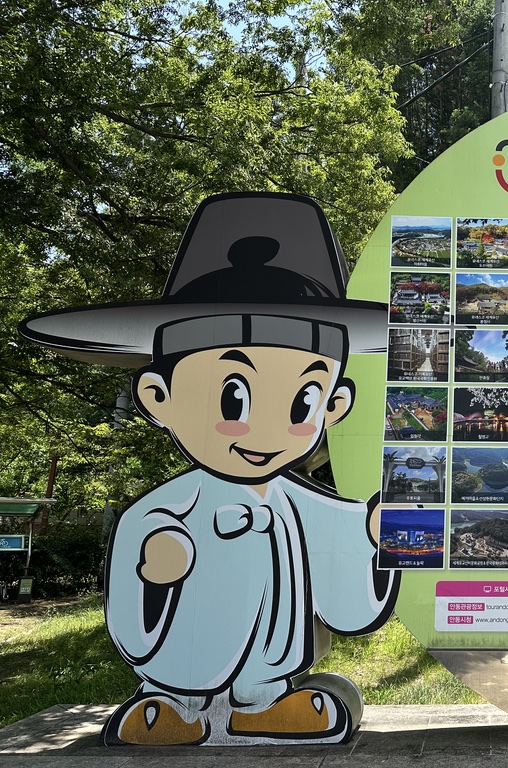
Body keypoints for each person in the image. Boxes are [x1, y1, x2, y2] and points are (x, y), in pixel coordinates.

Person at [19, 193, 398, 745]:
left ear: (333, 406)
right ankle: (173, 698)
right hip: (180, 658)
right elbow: (138, 569)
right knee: (183, 646)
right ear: (158, 397)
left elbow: (344, 549)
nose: (264, 432)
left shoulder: (297, 501)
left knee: (272, 663)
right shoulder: (166, 510)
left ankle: (262, 701)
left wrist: (373, 534)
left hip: (272, 665)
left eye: (302, 402)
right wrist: (154, 573)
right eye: (233, 398)